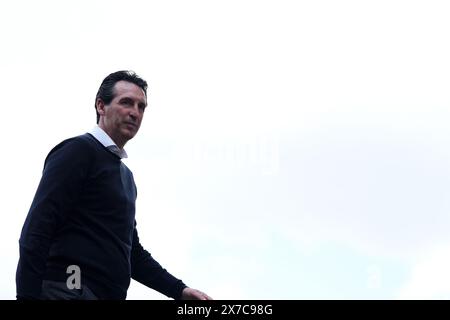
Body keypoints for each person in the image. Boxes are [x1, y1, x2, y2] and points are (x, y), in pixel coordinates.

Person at [16, 70, 212, 300]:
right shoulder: (77, 151)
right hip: (70, 288)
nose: (135, 113)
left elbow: (131, 253)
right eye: (126, 103)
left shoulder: (126, 177)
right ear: (101, 106)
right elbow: (38, 228)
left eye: (141, 107)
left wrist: (179, 290)